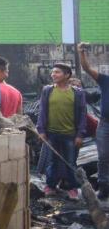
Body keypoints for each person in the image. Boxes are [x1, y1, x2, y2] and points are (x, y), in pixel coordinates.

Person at [37, 63, 87, 199]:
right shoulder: (47, 90)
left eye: (57, 72)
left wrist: (80, 135)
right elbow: (42, 111)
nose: (53, 74)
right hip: (52, 133)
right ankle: (51, 186)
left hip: (70, 134)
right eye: (53, 72)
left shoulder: (78, 93)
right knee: (52, 161)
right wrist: (41, 131)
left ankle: (72, 188)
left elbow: (83, 114)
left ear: (67, 75)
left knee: (70, 162)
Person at [79, 43, 109, 199]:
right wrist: (82, 52)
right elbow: (87, 69)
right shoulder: (105, 80)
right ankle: (104, 188)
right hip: (105, 124)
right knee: (103, 156)